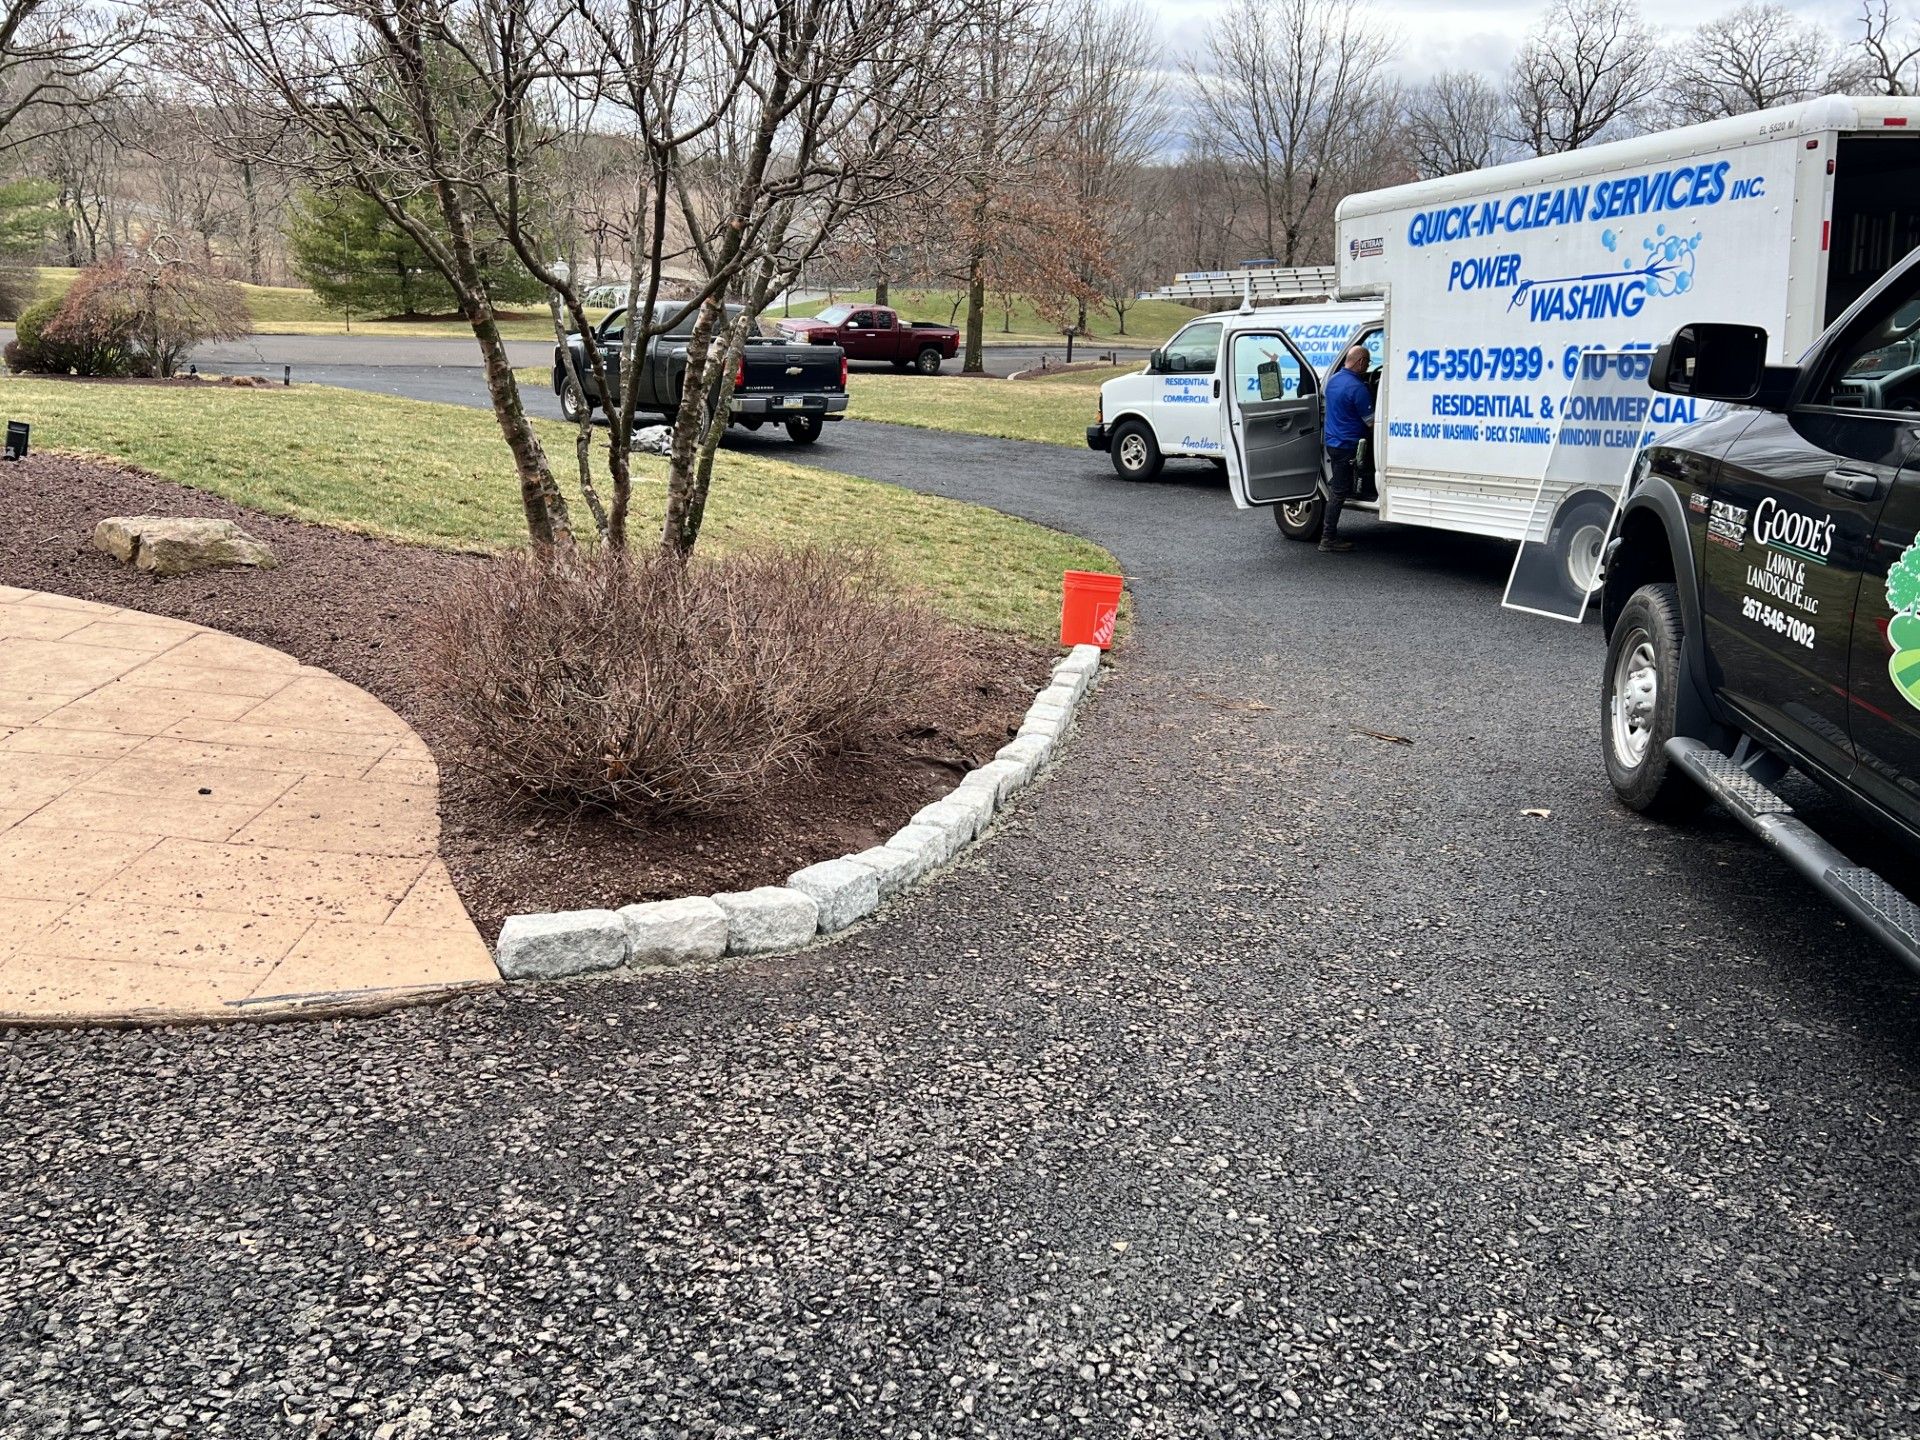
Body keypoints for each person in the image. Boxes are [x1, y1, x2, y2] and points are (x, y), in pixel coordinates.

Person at [1320, 344, 1374, 553]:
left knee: (1338, 485)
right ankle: (1328, 538)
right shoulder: (1358, 389)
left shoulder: (1332, 382)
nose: (1368, 367)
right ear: (1360, 362)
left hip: (1333, 444)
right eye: (1367, 363)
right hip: (1348, 445)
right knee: (1339, 492)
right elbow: (1371, 423)